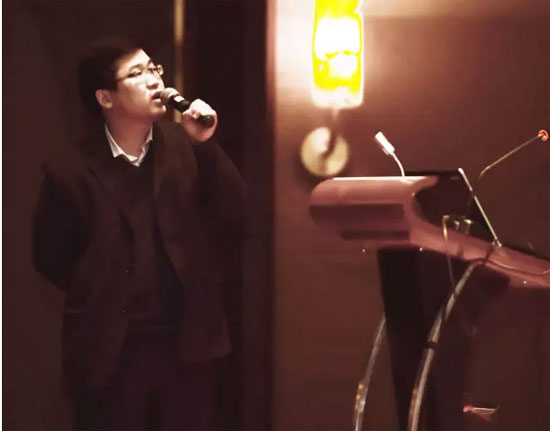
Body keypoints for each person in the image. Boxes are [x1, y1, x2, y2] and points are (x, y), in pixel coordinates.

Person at [32, 37, 245, 430]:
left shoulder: (185, 145)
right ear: (105, 97)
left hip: (186, 344)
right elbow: (50, 257)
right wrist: (99, 284)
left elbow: (235, 212)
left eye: (153, 69)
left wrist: (205, 145)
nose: (154, 81)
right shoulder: (70, 169)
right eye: (136, 73)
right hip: (109, 350)